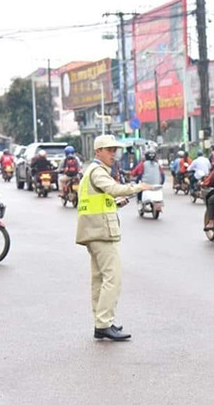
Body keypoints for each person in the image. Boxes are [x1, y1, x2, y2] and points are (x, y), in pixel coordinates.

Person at [75, 135, 153, 341]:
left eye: (114, 150)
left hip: (94, 231)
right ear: (97, 151)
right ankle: (103, 323)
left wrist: (117, 204)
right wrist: (138, 187)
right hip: (101, 232)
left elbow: (100, 200)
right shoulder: (97, 172)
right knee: (112, 278)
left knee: (99, 279)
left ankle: (101, 322)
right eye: (109, 150)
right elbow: (113, 188)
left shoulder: (91, 172)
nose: (113, 154)